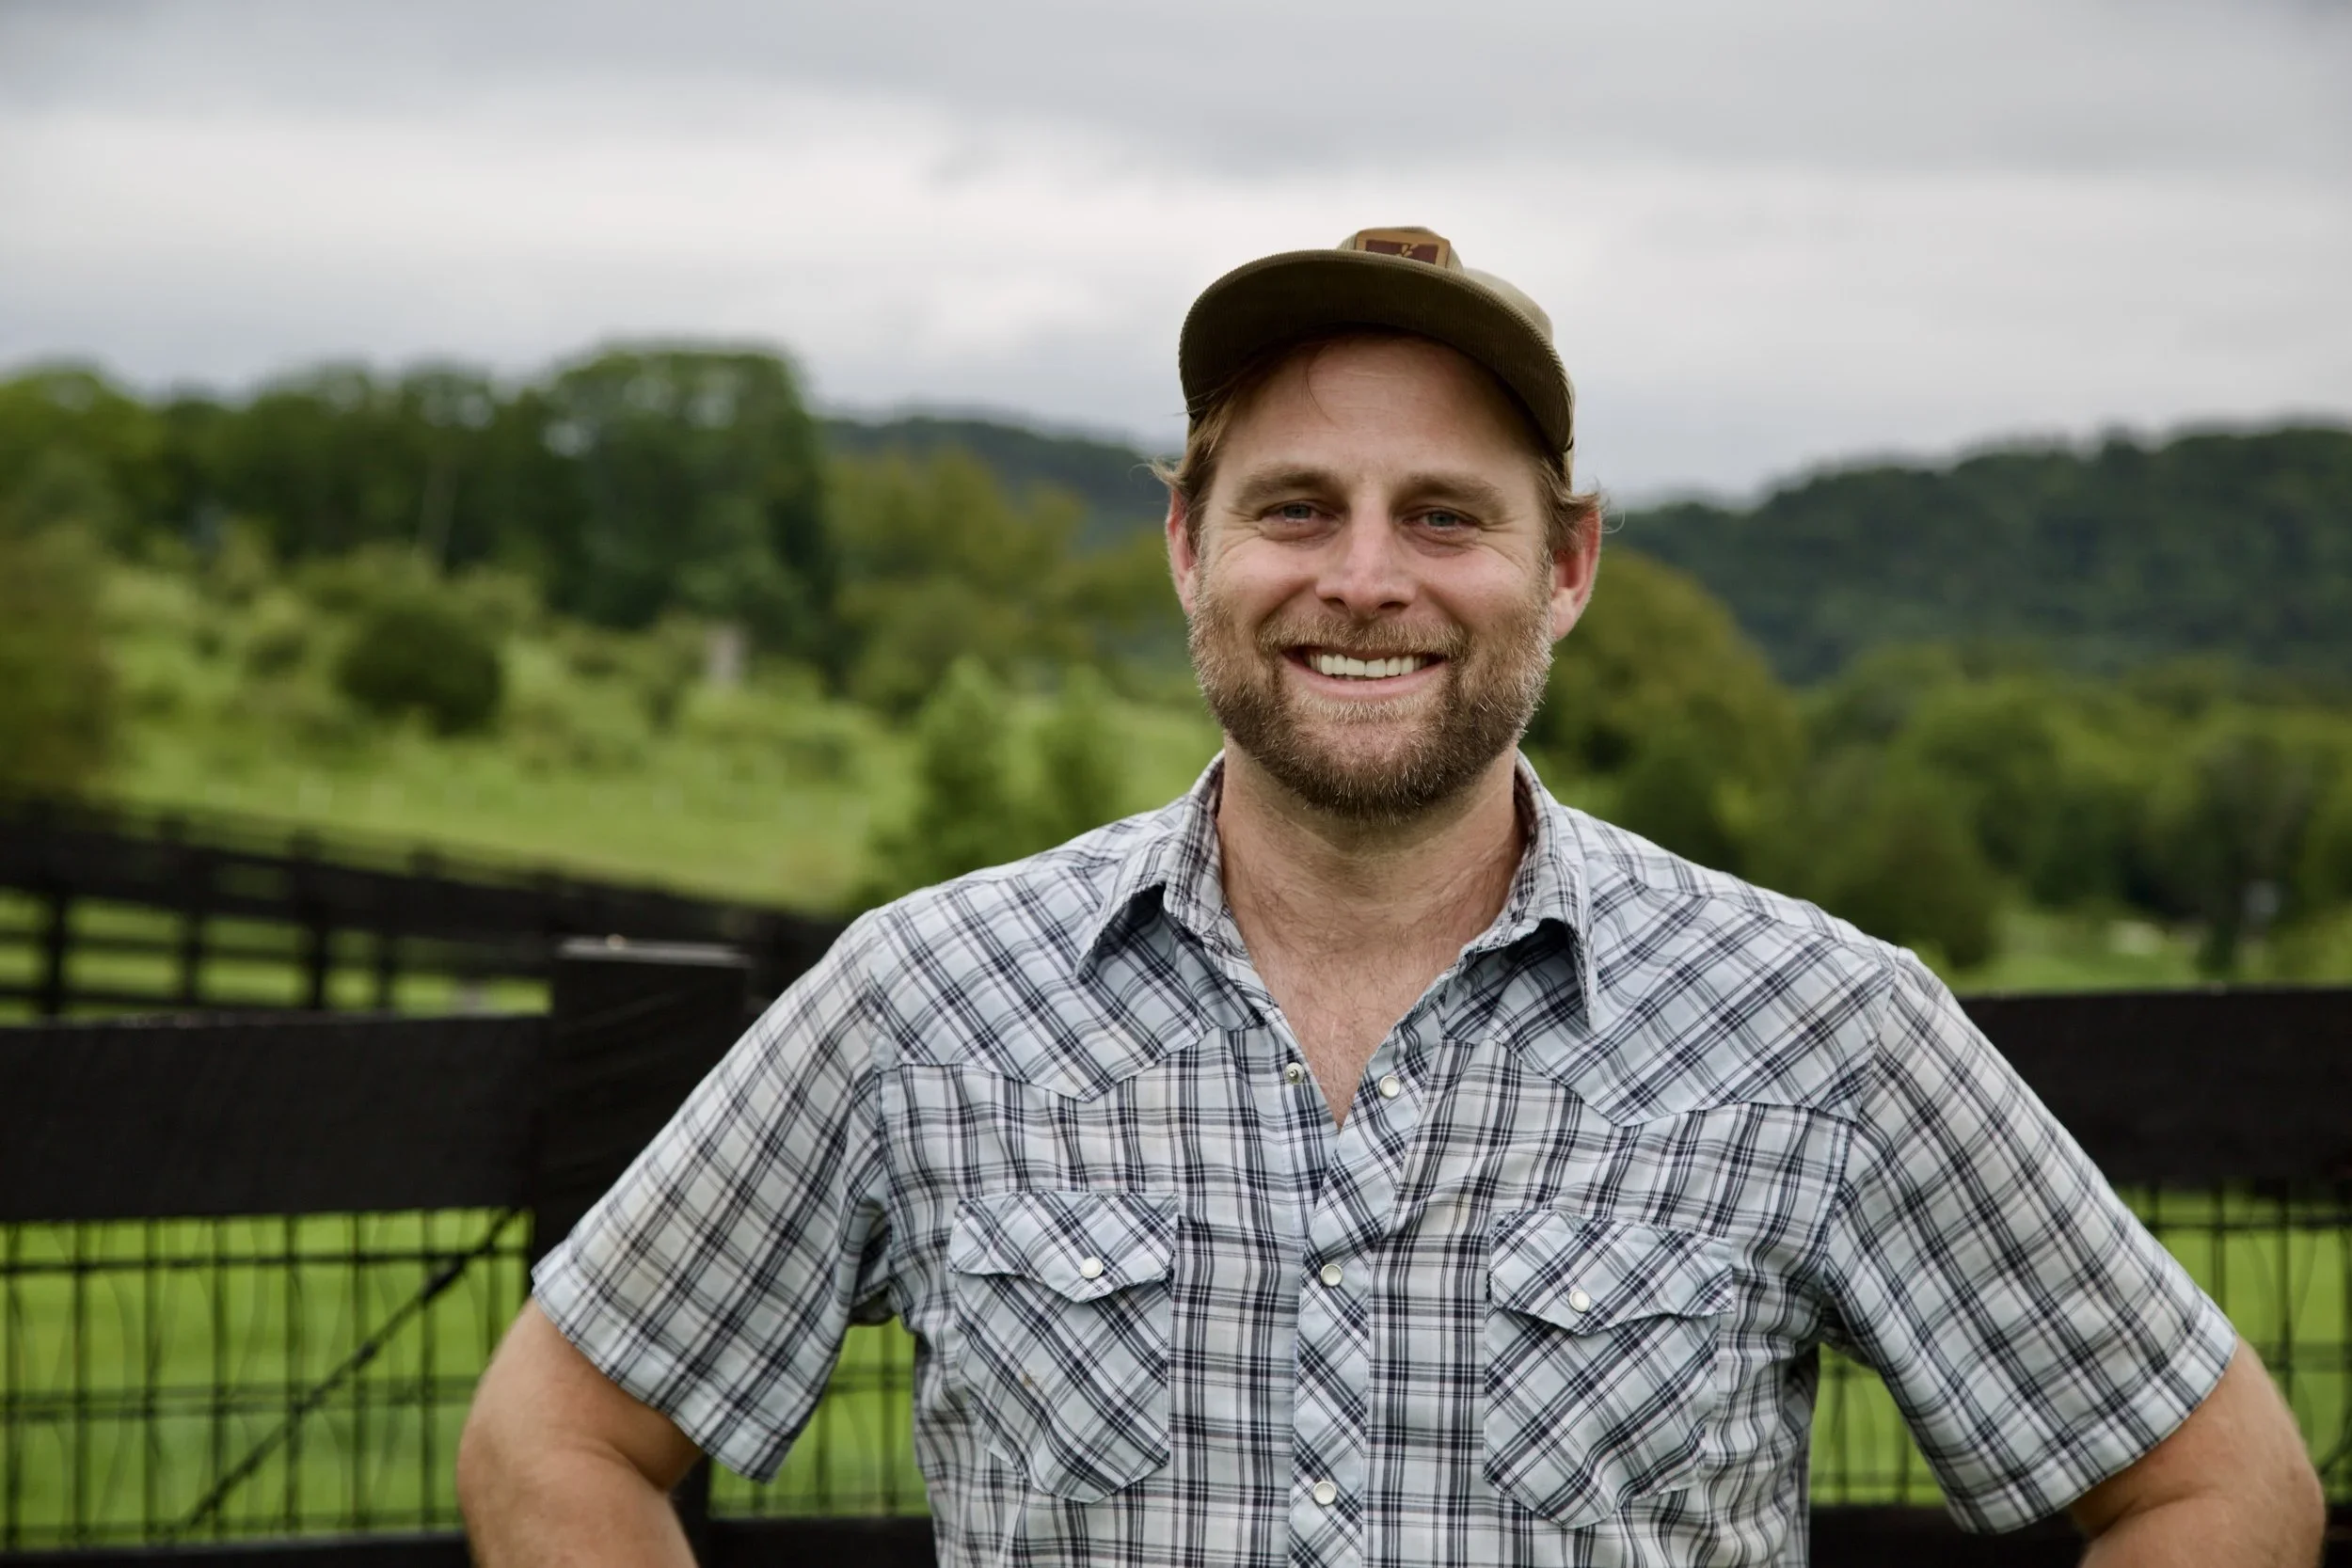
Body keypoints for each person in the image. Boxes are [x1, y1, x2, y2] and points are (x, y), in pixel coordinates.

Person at [457, 228, 2325, 1565]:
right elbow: (556, 1433)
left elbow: (2218, 1484)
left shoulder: (1817, 1025)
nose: (1363, 578)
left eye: (1443, 513)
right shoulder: (925, 997)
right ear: (1187, 545)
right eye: (1294, 508)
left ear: (1564, 565)